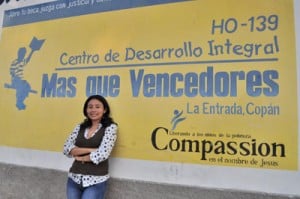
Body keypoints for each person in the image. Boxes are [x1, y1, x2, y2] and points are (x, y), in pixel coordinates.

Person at [63, 95, 118, 199]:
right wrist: (91, 150)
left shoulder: (110, 128)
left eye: (97, 107)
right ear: (86, 109)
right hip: (74, 178)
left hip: (96, 180)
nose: (93, 110)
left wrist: (81, 157)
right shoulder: (80, 127)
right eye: (90, 107)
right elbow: (66, 149)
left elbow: (102, 154)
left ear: (104, 110)